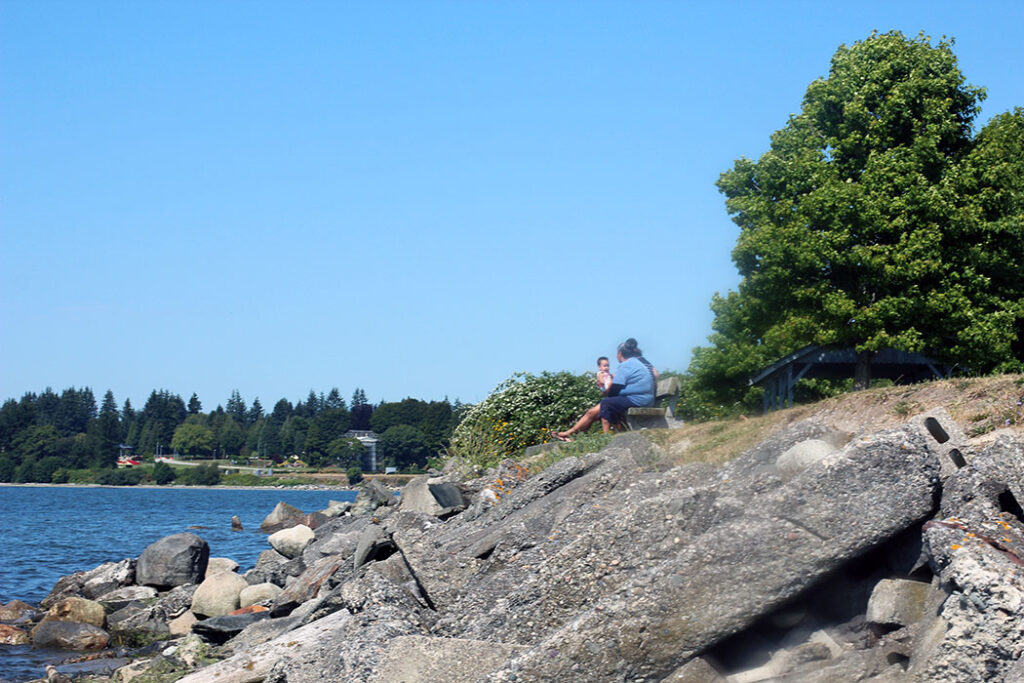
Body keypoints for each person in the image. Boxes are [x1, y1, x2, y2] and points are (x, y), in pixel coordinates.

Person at [553, 339, 656, 441]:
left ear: (620, 354)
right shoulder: (635, 363)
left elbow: (614, 389)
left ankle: (605, 438)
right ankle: (572, 435)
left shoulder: (625, 365)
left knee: (605, 404)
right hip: (642, 398)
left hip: (638, 399)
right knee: (597, 410)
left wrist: (604, 390)